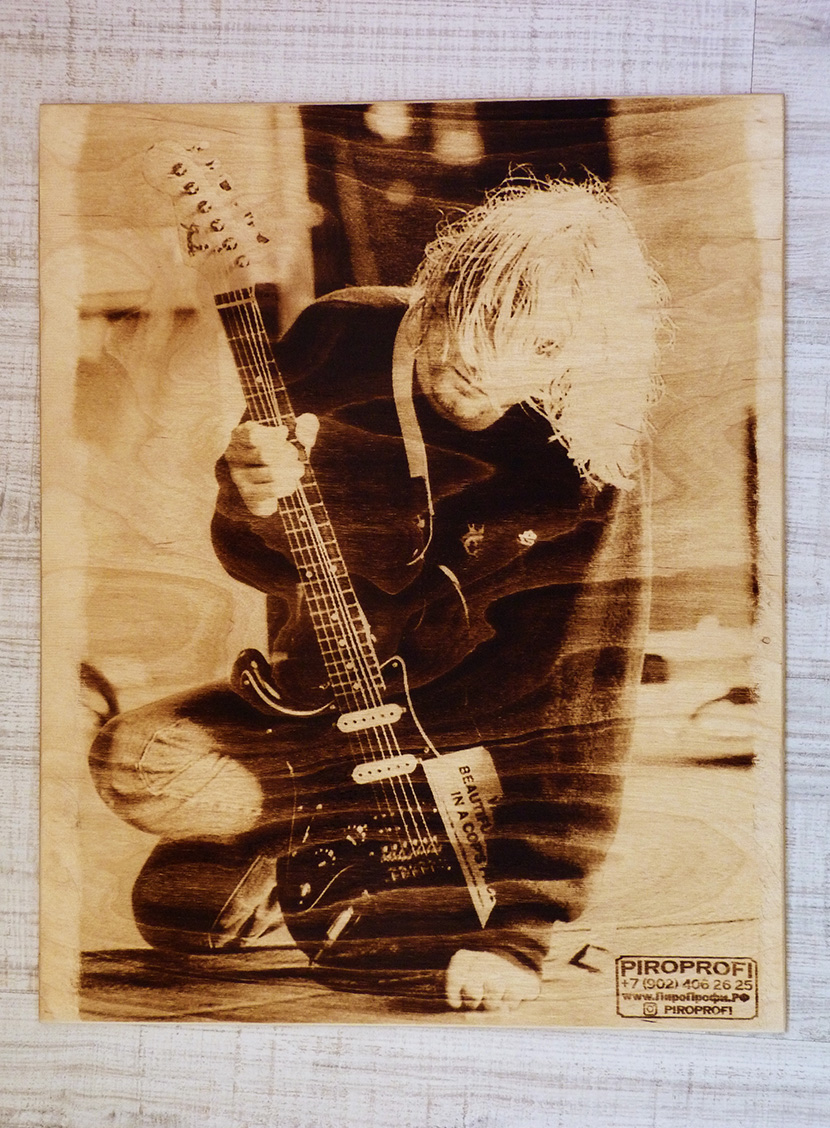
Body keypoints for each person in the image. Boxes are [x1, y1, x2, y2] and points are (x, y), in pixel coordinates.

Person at [90, 174, 668, 1012]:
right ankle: (298, 825)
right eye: (457, 347)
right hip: (318, 708)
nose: (474, 382)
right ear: (434, 295)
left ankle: (357, 850)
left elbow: (584, 704)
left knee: (208, 912)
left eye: (531, 356)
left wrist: (518, 931)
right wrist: (250, 499)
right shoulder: (339, 336)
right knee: (138, 766)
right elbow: (260, 564)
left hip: (468, 751)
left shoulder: (593, 447)